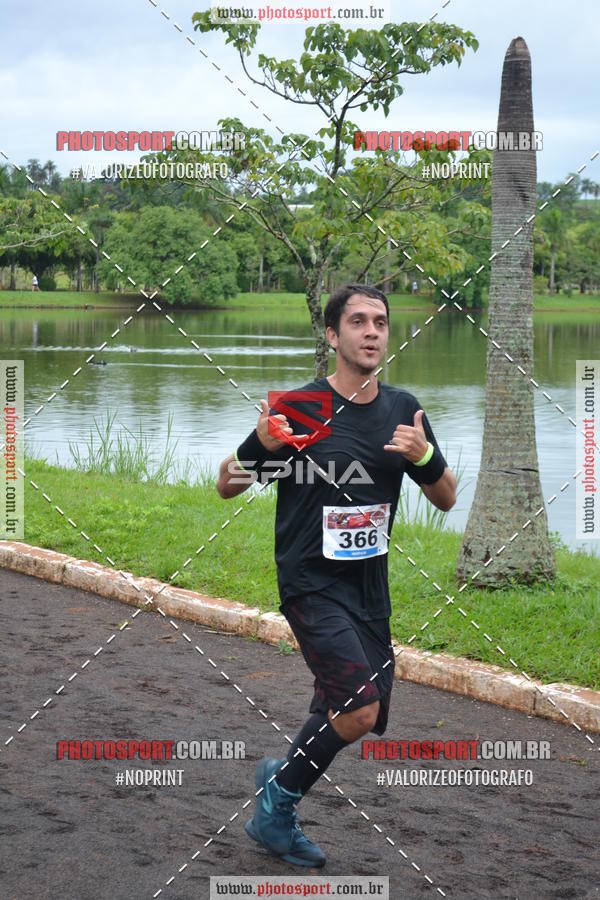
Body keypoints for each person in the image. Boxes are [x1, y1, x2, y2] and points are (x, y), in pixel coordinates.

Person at [216, 283, 457, 867]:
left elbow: (447, 498)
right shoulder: (302, 408)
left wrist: (424, 457)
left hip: (368, 588)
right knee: (359, 707)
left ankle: (282, 773)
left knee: (346, 709)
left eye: (380, 322)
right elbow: (227, 483)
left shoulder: (403, 410)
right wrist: (259, 444)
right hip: (309, 581)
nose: (372, 332)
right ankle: (277, 804)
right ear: (332, 335)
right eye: (358, 322)